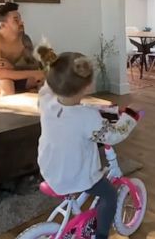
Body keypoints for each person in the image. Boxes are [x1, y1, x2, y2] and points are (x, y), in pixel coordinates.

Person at [37, 50, 140, 239]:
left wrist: (110, 110)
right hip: (74, 175)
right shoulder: (87, 118)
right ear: (87, 86)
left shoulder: (46, 100)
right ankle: (101, 235)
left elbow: (74, 106)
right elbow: (113, 135)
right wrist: (130, 117)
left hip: (50, 168)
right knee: (109, 195)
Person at [0, 2, 45, 96]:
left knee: (41, 80)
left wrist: (13, 67)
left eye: (20, 19)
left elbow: (33, 66)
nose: (21, 22)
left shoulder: (24, 39)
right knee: (6, 83)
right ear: (3, 25)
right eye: (16, 20)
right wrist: (36, 73)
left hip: (11, 77)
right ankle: (5, 110)